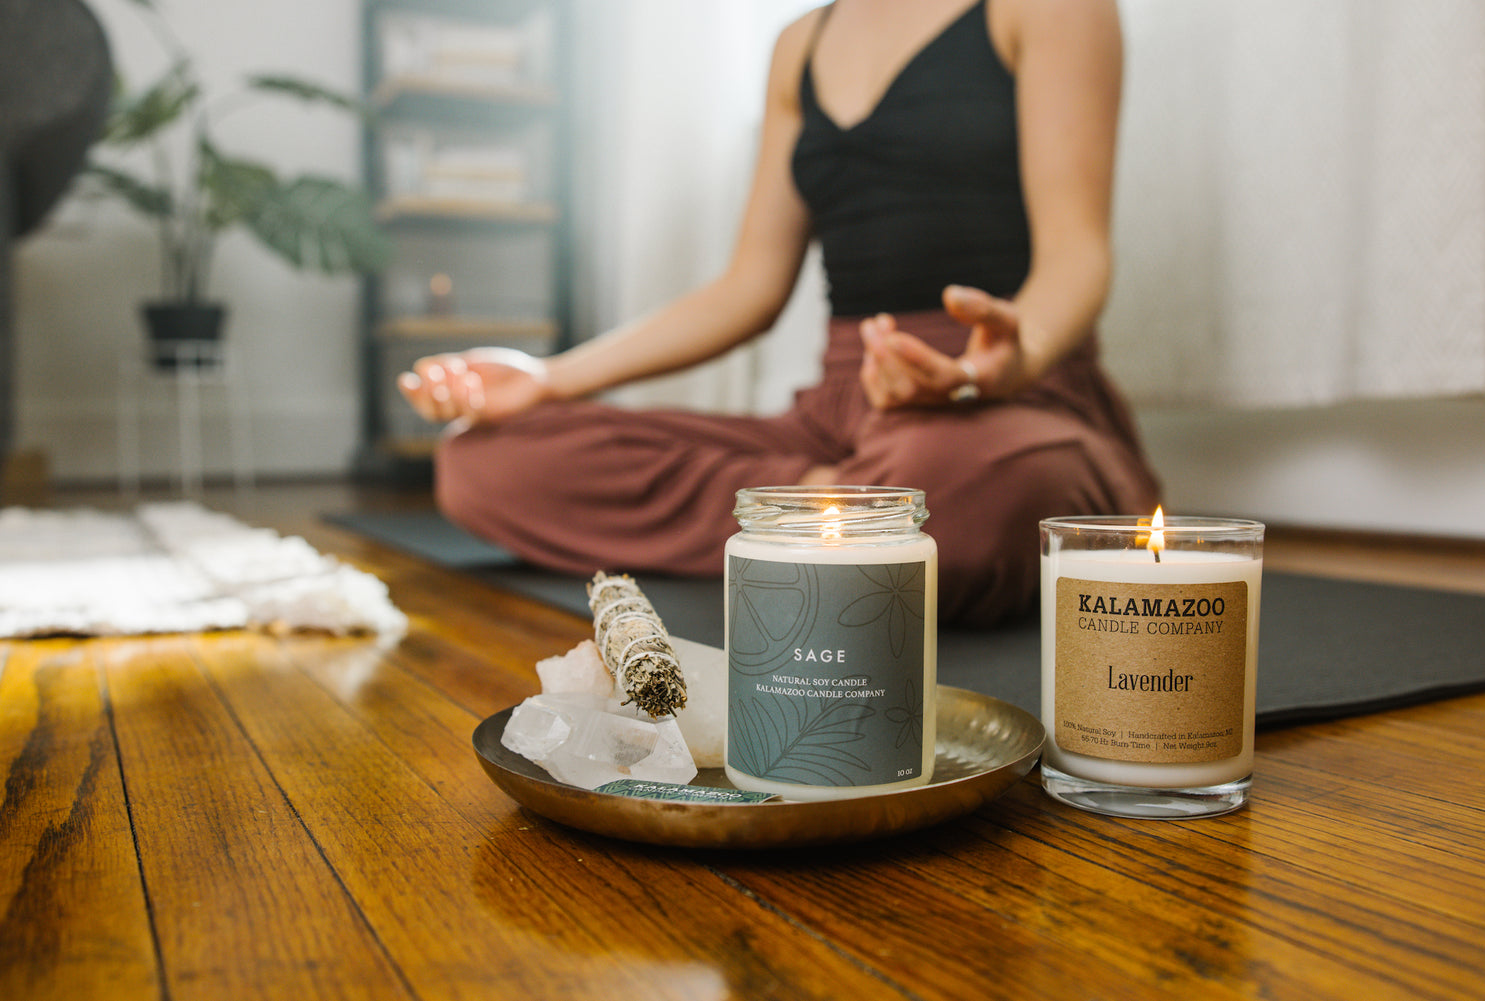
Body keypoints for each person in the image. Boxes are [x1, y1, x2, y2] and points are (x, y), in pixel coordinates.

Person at [397, 0, 1160, 627]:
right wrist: (547, 379)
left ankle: (827, 520)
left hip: (1008, 404)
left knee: (957, 488)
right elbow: (748, 288)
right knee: (481, 462)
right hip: (838, 418)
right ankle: (842, 511)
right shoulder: (798, 45)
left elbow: (1077, 256)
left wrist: (1001, 361)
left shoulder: (1050, 7)